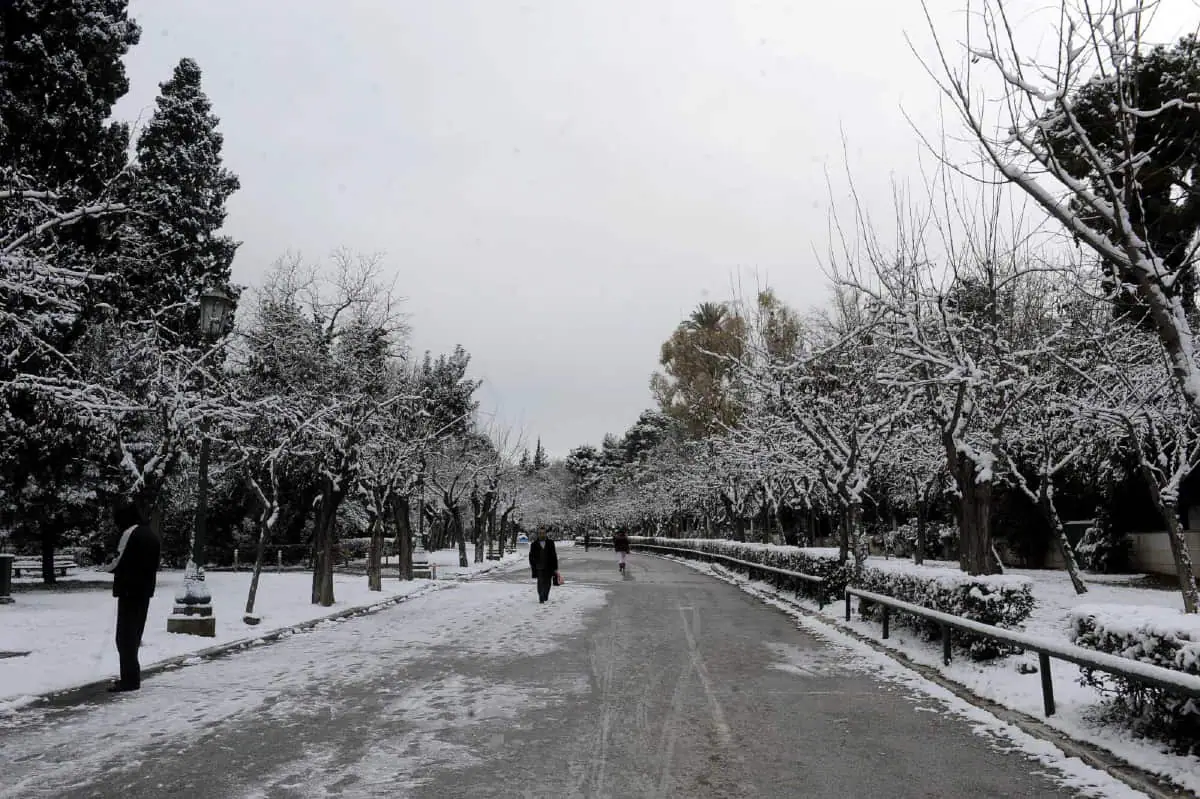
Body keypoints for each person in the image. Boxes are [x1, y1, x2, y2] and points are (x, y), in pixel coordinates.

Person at [107, 503, 161, 692]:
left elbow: (117, 561)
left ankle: (129, 680)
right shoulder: (150, 534)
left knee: (124, 637)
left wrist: (106, 567)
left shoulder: (130, 533)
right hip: (144, 590)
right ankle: (132, 677)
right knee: (134, 634)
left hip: (129, 590)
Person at [528, 527, 558, 603]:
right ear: (538, 534)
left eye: (543, 533)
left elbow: (554, 555)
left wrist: (555, 567)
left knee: (548, 583)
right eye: (540, 533)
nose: (542, 534)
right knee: (540, 582)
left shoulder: (551, 543)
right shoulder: (534, 544)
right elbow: (531, 556)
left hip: (549, 566)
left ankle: (545, 595)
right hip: (539, 567)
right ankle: (541, 597)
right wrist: (533, 565)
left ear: (545, 534)